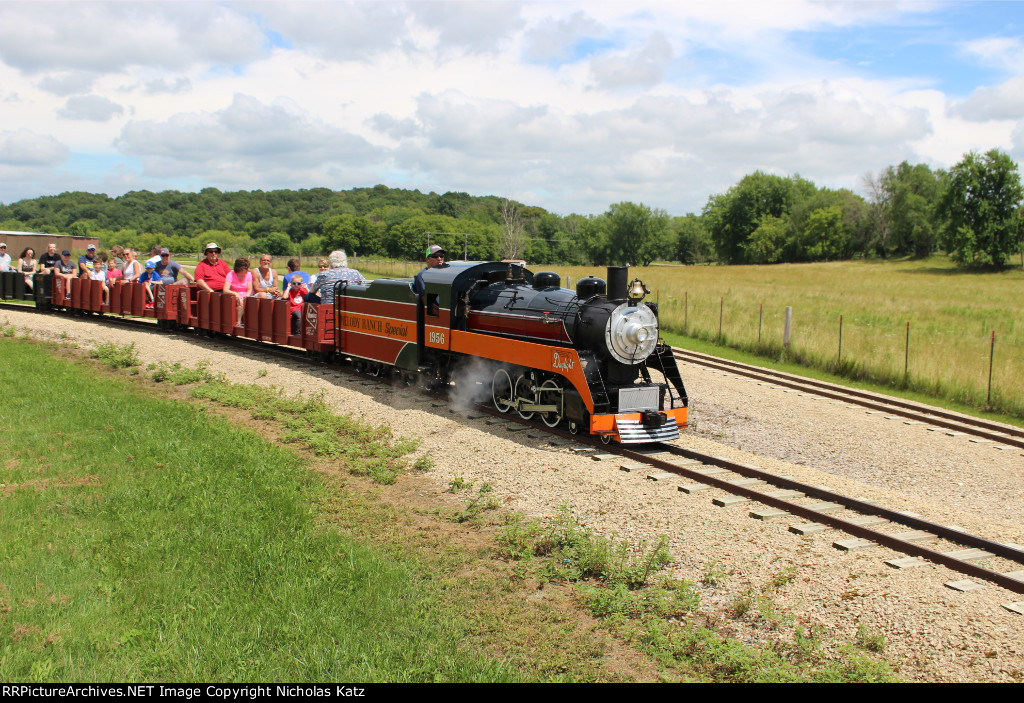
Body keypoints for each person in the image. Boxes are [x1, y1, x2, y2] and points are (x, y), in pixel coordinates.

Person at [222, 257, 253, 324]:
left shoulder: (249, 275)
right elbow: (225, 290)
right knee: (239, 302)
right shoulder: (230, 275)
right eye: (246, 268)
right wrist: (235, 294)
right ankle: (238, 322)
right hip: (233, 297)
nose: (248, 270)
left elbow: (249, 289)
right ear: (240, 268)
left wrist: (246, 297)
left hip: (245, 295)